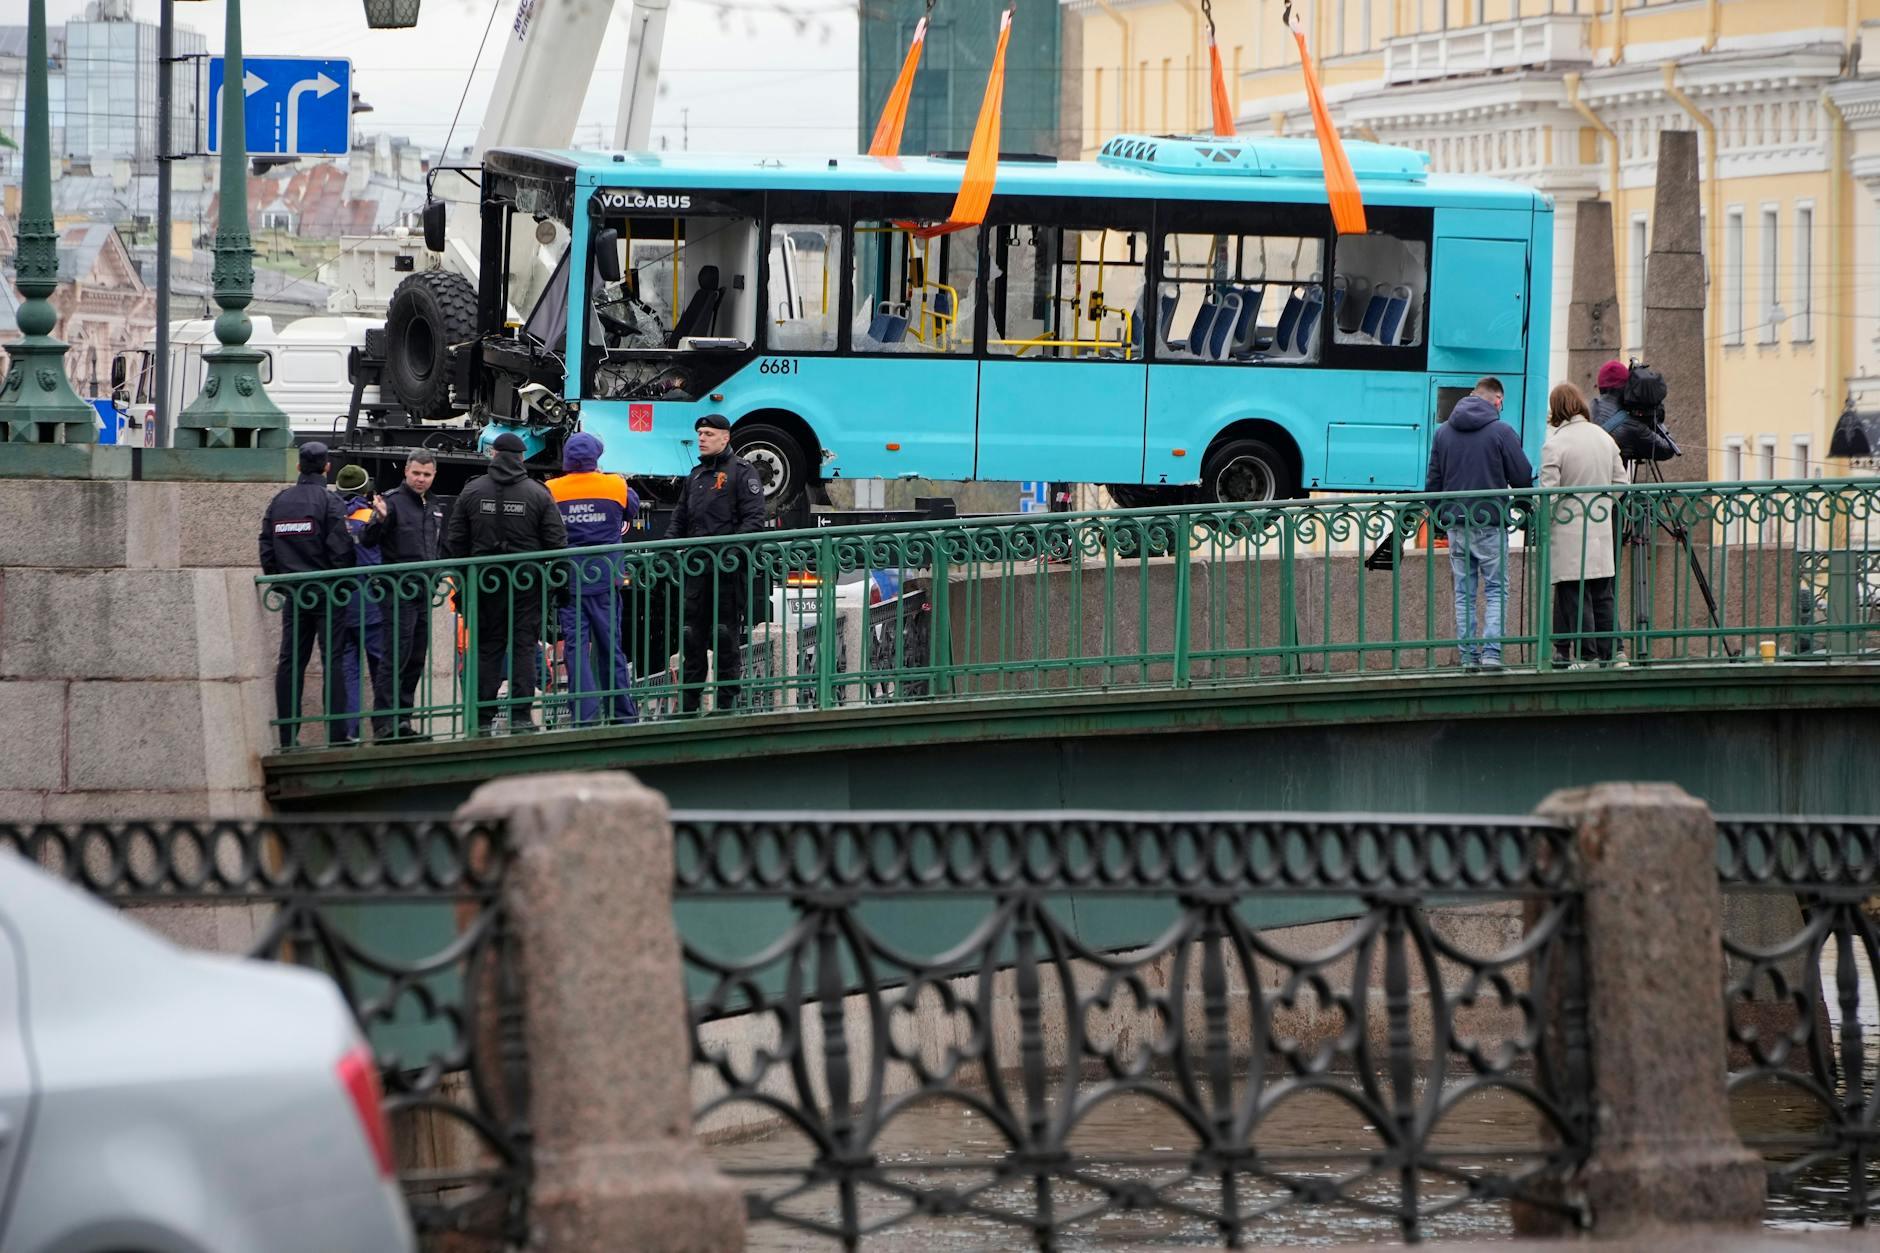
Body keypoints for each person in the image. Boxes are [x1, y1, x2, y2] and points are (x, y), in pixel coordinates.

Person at [443, 432, 567, 733]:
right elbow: (557, 543)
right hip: (527, 583)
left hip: (485, 583)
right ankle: (521, 716)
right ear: (522, 458)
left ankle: (484, 718)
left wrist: (462, 584)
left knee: (487, 648)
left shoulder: (472, 491)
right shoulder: (537, 493)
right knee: (524, 646)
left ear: (494, 455)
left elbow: (456, 542)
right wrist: (561, 586)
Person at [1425, 377, 1534, 671]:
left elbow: (1433, 484)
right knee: (1497, 588)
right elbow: (1523, 476)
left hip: (1456, 523)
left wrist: (1440, 518)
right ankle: (1492, 654)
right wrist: (1524, 511)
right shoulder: (1501, 431)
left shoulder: (1443, 433)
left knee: (1464, 592)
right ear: (1497, 400)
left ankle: (1468, 658)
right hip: (1490, 522)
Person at [664, 413, 765, 713]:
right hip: (696, 568)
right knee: (691, 637)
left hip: (728, 570)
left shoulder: (742, 472)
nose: (702, 439)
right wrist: (668, 549)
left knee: (724, 636)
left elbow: (754, 520)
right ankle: (689, 704)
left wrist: (731, 550)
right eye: (700, 434)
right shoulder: (695, 476)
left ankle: (725, 703)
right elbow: (679, 519)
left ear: (725, 437)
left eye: (708, 434)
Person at [259, 442, 357, 747]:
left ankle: (288, 736)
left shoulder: (280, 502)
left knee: (290, 662)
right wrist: (342, 584)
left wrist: (280, 582)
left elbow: (266, 545)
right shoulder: (331, 502)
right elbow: (342, 549)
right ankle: (337, 735)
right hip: (327, 594)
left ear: (298, 467)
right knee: (334, 661)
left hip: (295, 594)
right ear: (328, 467)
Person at [546, 431, 640, 725]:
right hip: (605, 579)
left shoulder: (552, 489)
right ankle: (622, 714)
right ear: (596, 458)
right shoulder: (614, 484)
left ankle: (584, 717)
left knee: (575, 650)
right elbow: (633, 509)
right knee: (610, 647)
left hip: (570, 582)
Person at [1540, 382, 1629, 669]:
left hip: (1568, 530)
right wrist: (1603, 503)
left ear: (1556, 409)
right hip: (1600, 526)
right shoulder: (1603, 438)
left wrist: (1547, 520)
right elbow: (1621, 482)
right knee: (1603, 592)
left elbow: (1548, 495)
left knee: (1574, 594)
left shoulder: (1555, 444)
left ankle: (1587, 655)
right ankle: (1612, 655)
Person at [362, 451, 444, 740]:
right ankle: (385, 723)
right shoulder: (393, 502)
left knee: (415, 658)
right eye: (416, 474)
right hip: (397, 590)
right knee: (395, 655)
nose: (421, 479)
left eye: (426, 475)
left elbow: (436, 546)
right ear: (407, 472)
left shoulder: (434, 505)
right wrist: (379, 520)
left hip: (423, 589)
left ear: (434, 476)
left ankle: (403, 720)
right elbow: (368, 539)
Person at [331, 464, 392, 742]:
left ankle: (349, 732)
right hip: (372, 604)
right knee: (382, 668)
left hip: (341, 604)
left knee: (348, 672)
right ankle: (385, 727)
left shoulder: (331, 517)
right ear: (366, 490)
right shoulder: (371, 517)